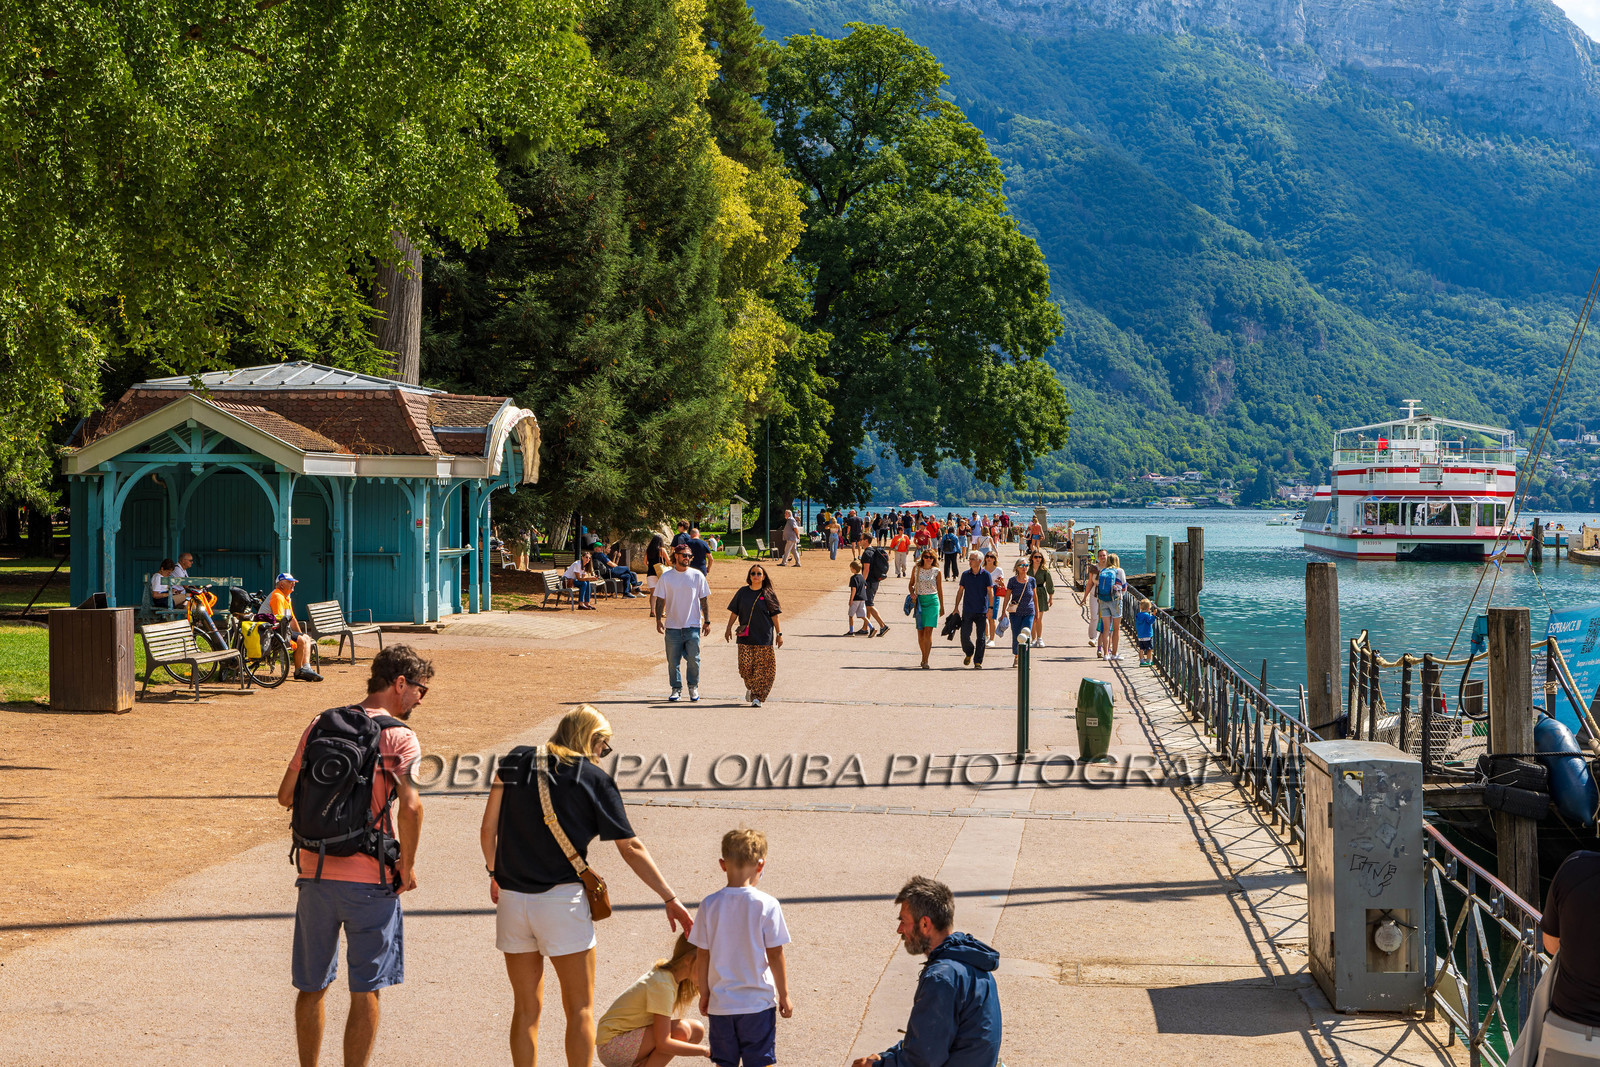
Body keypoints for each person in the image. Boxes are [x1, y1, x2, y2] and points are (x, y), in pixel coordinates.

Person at [482, 706, 694, 1067]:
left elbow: (488, 829)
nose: (602, 754)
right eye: (603, 746)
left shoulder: (515, 760)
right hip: (561, 902)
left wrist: (494, 873)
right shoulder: (594, 779)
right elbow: (631, 848)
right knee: (579, 1008)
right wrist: (669, 897)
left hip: (513, 900)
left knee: (525, 1008)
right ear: (592, 740)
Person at [277, 645, 430, 1067]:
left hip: (315, 873)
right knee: (366, 989)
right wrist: (407, 865)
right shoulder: (399, 736)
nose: (420, 699)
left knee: (311, 987)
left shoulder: (321, 723)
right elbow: (412, 807)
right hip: (371, 880)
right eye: (420, 689)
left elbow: (285, 795)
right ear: (400, 683)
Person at [849, 876, 1001, 1067]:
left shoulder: (942, 979)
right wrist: (886, 1058)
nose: (899, 929)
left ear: (924, 924)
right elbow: (929, 1040)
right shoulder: (971, 962)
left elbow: (923, 1060)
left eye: (903, 921)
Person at [689, 829, 793, 1067]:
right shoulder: (767, 904)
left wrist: (705, 993)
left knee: (724, 1062)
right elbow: (775, 953)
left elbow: (702, 954)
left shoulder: (709, 904)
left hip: (721, 1004)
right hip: (757, 1003)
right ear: (761, 864)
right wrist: (784, 994)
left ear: (722, 864)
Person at [594, 935, 708, 1067]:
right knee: (681, 1031)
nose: (709, 972)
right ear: (688, 960)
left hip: (622, 1041)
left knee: (696, 1030)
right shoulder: (663, 985)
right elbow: (663, 1043)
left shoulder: (670, 975)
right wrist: (706, 1051)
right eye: (706, 965)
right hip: (612, 1046)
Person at [652, 543, 712, 701]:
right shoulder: (666, 577)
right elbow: (660, 600)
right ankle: (676, 688)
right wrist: (658, 619)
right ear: (676, 556)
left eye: (689, 556)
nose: (687, 558)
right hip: (672, 626)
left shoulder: (697, 575)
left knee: (694, 659)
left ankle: (693, 686)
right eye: (684, 555)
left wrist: (707, 620)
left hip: (692, 625)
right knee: (673, 661)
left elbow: (704, 599)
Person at [726, 563, 783, 707]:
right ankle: (751, 688)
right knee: (745, 667)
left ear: (763, 577)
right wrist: (728, 628)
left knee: (763, 668)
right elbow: (734, 611)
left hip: (764, 636)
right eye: (753, 573)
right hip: (745, 636)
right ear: (749, 576)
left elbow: (775, 615)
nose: (756, 576)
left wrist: (779, 634)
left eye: (759, 573)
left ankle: (758, 697)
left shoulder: (768, 594)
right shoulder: (742, 592)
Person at [268, 573, 324, 682]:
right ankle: (299, 671)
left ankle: (306, 668)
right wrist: (297, 638)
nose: (293, 584)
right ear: (281, 584)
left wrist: (300, 634)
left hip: (281, 629)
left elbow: (292, 619)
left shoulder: (286, 598)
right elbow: (279, 620)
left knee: (306, 637)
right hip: (271, 632)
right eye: (290, 582)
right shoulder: (277, 596)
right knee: (301, 640)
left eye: (293, 582)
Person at [953, 551, 993, 669]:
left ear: (979, 561)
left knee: (981, 638)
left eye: (972, 559)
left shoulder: (986, 575)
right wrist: (956, 607)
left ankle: (978, 661)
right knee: (964, 635)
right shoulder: (965, 575)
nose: (969, 561)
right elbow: (960, 591)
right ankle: (969, 652)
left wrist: (990, 608)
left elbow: (990, 592)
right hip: (968, 609)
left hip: (981, 610)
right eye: (969, 559)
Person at [908, 549, 944, 669]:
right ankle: (923, 655)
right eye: (926, 557)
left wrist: (942, 606)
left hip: (932, 601)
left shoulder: (937, 571)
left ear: (934, 559)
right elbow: (911, 584)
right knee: (920, 631)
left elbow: (940, 589)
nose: (928, 559)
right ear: (923, 557)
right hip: (920, 602)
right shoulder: (916, 569)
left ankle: (925, 659)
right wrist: (912, 593)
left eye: (931, 557)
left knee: (928, 631)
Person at [1005, 559, 1037, 668]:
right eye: (1022, 565)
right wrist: (1003, 612)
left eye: (1026, 565)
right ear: (1017, 567)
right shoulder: (1012, 581)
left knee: (1026, 635)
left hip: (1029, 611)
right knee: (1017, 634)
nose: (1024, 567)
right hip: (1015, 613)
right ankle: (1017, 656)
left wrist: (1037, 612)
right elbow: (1007, 596)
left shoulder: (1032, 580)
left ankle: (1025, 659)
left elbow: (1035, 597)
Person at [1097, 553, 1128, 661]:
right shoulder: (1120, 571)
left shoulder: (1103, 571)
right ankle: (1114, 654)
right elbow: (1124, 587)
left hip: (1103, 600)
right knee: (1116, 629)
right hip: (1115, 601)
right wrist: (1120, 595)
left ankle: (1106, 654)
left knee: (1106, 629)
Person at [1027, 549, 1054, 649]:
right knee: (1032, 618)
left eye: (1040, 557)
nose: (1038, 559)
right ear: (1032, 558)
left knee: (1038, 618)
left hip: (1040, 593)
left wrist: (1051, 597)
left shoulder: (1044, 570)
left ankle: (1039, 638)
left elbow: (1049, 584)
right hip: (1029, 593)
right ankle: (1033, 639)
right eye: (1036, 557)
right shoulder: (1028, 569)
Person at [984, 551, 1005, 647]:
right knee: (983, 616)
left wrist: (1000, 582)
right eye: (987, 556)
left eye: (991, 557)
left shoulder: (998, 570)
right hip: (983, 592)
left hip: (994, 592)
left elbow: (1002, 584)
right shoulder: (982, 569)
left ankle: (992, 639)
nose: (989, 558)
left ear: (994, 559)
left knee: (991, 617)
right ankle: (986, 636)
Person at [847, 560, 872, 637]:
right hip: (862, 598)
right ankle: (872, 628)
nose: (850, 569)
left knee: (851, 615)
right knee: (863, 615)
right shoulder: (862, 577)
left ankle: (851, 631)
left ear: (854, 569)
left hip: (856, 598)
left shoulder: (853, 578)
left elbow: (853, 589)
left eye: (851, 568)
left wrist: (851, 600)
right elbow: (865, 586)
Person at [1135, 598, 1156, 667]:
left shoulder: (1138, 615)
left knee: (1141, 649)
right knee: (1149, 649)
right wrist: (1154, 616)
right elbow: (1150, 621)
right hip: (1147, 635)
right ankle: (1148, 661)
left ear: (1140, 607)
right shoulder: (1146, 615)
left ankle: (1141, 661)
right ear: (1148, 608)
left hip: (1140, 635)